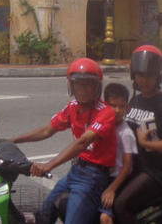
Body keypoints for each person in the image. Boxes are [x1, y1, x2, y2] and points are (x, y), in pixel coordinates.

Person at [10, 57, 117, 224]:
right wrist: (14, 140)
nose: (82, 89)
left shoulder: (105, 113)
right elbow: (47, 130)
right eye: (78, 84)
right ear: (71, 86)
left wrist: (49, 165)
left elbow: (82, 143)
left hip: (93, 177)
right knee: (44, 214)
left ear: (97, 86)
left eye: (88, 84)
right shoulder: (73, 107)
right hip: (76, 171)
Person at [112, 45, 162, 224]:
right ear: (133, 75)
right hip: (136, 166)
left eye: (149, 76)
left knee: (121, 205)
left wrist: (147, 144)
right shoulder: (136, 100)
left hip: (156, 172)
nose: (144, 81)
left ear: (158, 76)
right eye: (140, 75)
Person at [99, 82, 138, 224]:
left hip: (116, 179)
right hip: (101, 176)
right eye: (113, 105)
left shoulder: (126, 133)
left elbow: (127, 167)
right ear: (105, 105)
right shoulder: (102, 125)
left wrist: (111, 189)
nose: (117, 110)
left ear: (127, 108)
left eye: (121, 106)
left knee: (105, 218)